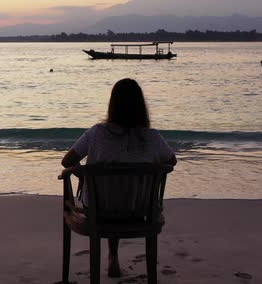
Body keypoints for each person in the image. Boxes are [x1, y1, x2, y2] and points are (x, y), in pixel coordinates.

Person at [60, 78, 176, 278]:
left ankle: (112, 255)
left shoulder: (96, 133)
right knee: (122, 195)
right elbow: (171, 161)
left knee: (108, 199)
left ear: (112, 105)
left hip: (99, 212)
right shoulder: (153, 137)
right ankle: (114, 256)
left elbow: (67, 160)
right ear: (141, 107)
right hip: (138, 211)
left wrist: (81, 171)